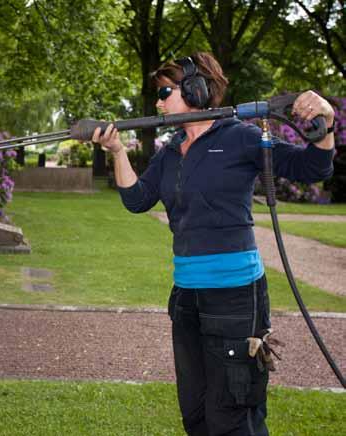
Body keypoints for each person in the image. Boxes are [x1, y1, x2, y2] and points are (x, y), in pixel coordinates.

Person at [92, 52, 335, 436]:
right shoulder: (171, 151)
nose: (158, 102)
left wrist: (327, 122)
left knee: (234, 416)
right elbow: (138, 199)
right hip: (187, 298)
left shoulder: (241, 137)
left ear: (196, 89)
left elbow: (312, 167)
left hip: (236, 298)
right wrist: (118, 152)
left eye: (165, 91)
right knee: (197, 414)